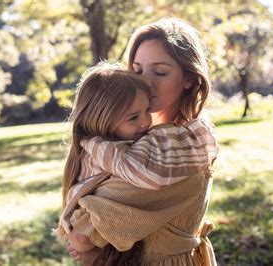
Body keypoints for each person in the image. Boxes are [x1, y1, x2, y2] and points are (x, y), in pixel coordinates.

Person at [64, 17, 219, 265]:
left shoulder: (180, 146)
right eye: (136, 70)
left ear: (189, 78)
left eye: (160, 72)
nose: (145, 82)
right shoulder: (143, 133)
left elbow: (87, 231)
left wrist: (79, 231)